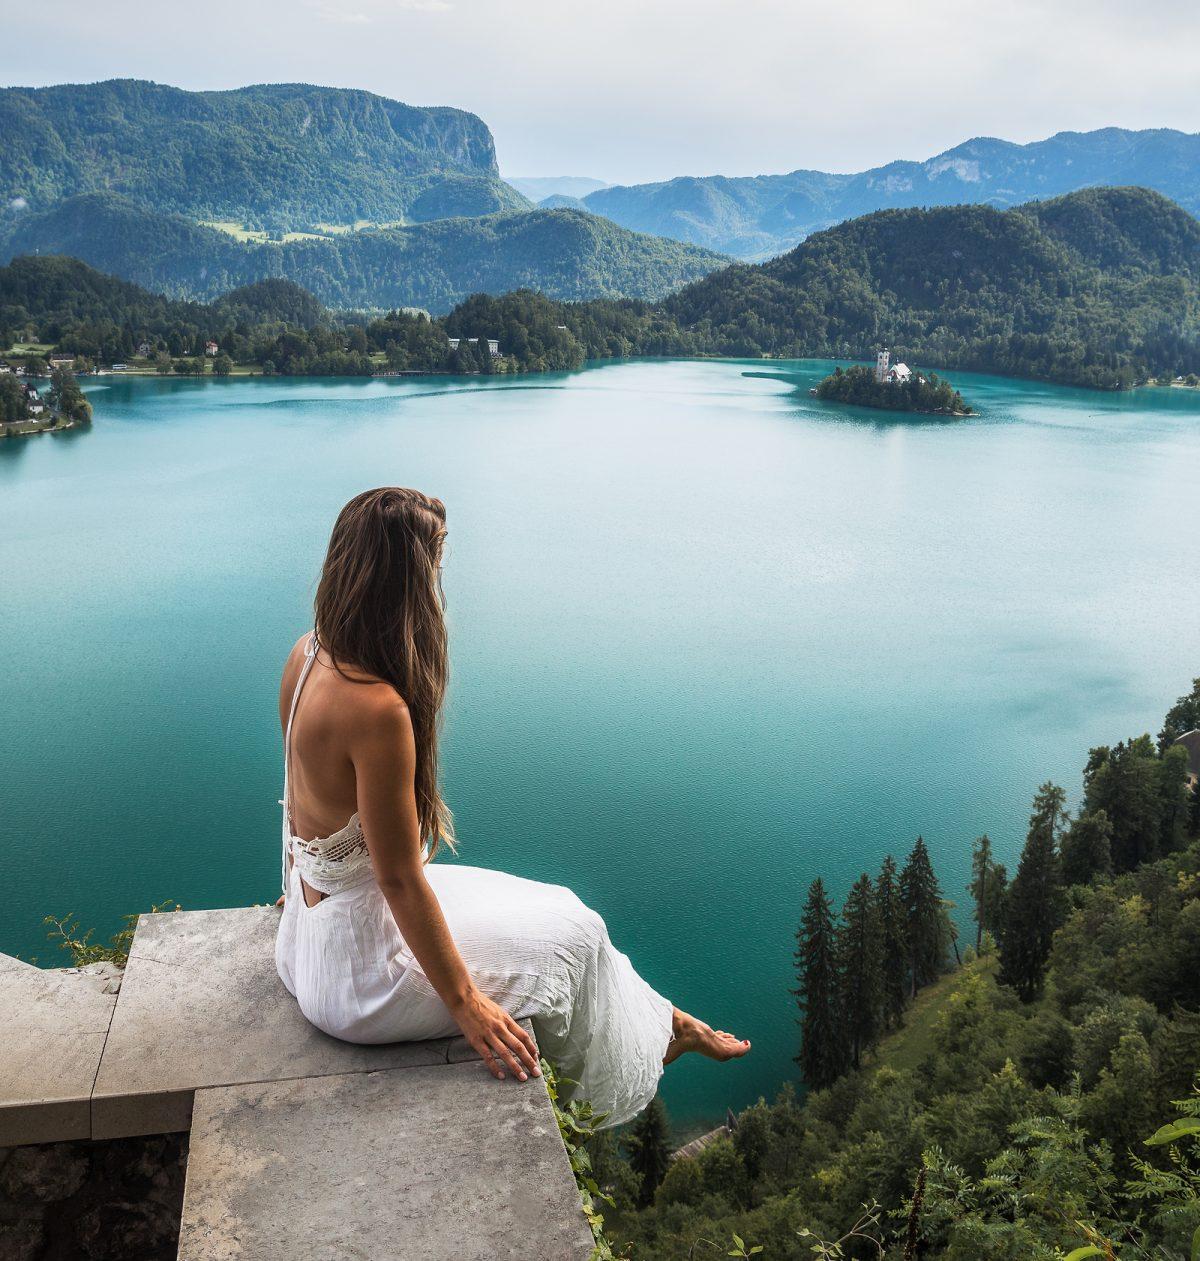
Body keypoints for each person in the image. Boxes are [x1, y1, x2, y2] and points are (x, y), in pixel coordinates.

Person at [275, 487, 749, 1126]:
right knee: (575, 937)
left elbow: (296, 808)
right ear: (406, 583)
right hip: (358, 981)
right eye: (435, 568)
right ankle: (652, 1049)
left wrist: (305, 888)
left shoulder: (307, 656)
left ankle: (666, 1021)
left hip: (309, 941)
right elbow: (397, 879)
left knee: (564, 910)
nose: (441, 583)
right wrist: (469, 1005)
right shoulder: (378, 708)